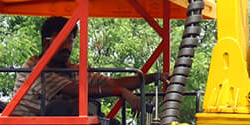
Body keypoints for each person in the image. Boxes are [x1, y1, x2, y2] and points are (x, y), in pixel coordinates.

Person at [11, 16, 148, 117]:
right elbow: (74, 90)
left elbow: (111, 83)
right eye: (62, 41)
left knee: (109, 122)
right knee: (60, 107)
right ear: (46, 43)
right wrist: (120, 91)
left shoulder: (71, 69)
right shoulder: (34, 68)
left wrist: (154, 77)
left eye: (70, 42)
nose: (67, 47)